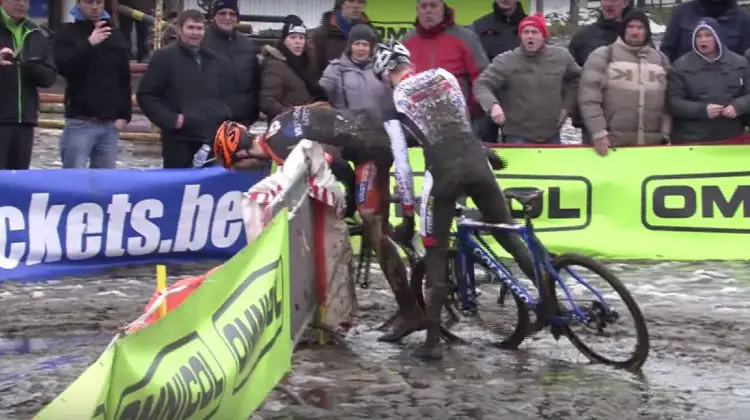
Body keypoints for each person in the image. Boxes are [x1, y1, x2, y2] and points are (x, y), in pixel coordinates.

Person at [371, 40, 543, 360]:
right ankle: (550, 305)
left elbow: (403, 166)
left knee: (434, 251)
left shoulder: (395, 101)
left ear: (386, 73)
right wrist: (488, 154)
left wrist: (407, 216)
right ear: (409, 63)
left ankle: (432, 341)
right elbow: (459, 126)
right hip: (477, 163)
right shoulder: (444, 76)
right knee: (510, 237)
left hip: (445, 175)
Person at [212, 104, 426, 343]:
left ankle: (410, 312)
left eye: (236, 166)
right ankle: (410, 301)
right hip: (367, 125)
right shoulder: (277, 124)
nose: (243, 170)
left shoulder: (280, 150)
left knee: (373, 227)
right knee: (378, 227)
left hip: (369, 149)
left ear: (241, 155)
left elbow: (340, 167)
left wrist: (349, 207)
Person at [136, 9, 230, 168]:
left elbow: (225, 94)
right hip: (179, 139)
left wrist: (223, 116)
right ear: (179, 30)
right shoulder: (164, 57)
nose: (195, 33)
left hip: (210, 137)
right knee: (178, 187)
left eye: (199, 28)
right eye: (190, 27)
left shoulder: (215, 60)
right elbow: (146, 95)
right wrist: (171, 120)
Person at [473, 12, 580, 144]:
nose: (530, 36)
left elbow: (577, 79)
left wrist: (567, 107)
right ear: (520, 36)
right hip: (517, 135)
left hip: (551, 133)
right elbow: (481, 84)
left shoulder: (561, 57)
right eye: (525, 32)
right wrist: (492, 105)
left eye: (535, 32)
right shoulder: (506, 60)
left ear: (544, 36)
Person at [53, 0, 132, 169]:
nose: (95, 7)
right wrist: (89, 44)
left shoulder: (115, 35)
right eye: (89, 2)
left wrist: (125, 115)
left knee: (104, 184)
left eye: (98, 2)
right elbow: (64, 67)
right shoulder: (67, 33)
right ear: (79, 3)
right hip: (80, 120)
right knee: (74, 179)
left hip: (109, 124)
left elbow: (124, 78)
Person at [667, 18, 750, 143]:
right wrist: (702, 110)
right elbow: (673, 102)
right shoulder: (680, 66)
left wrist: (738, 106)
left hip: (731, 137)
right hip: (692, 139)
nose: (703, 40)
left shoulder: (740, 63)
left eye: (708, 35)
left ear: (717, 37)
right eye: (698, 36)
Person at [0, 0, 56, 170]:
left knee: (18, 181)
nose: (21, 4)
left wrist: (33, 68)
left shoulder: (35, 32)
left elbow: (50, 78)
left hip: (25, 120)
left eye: (25, 0)